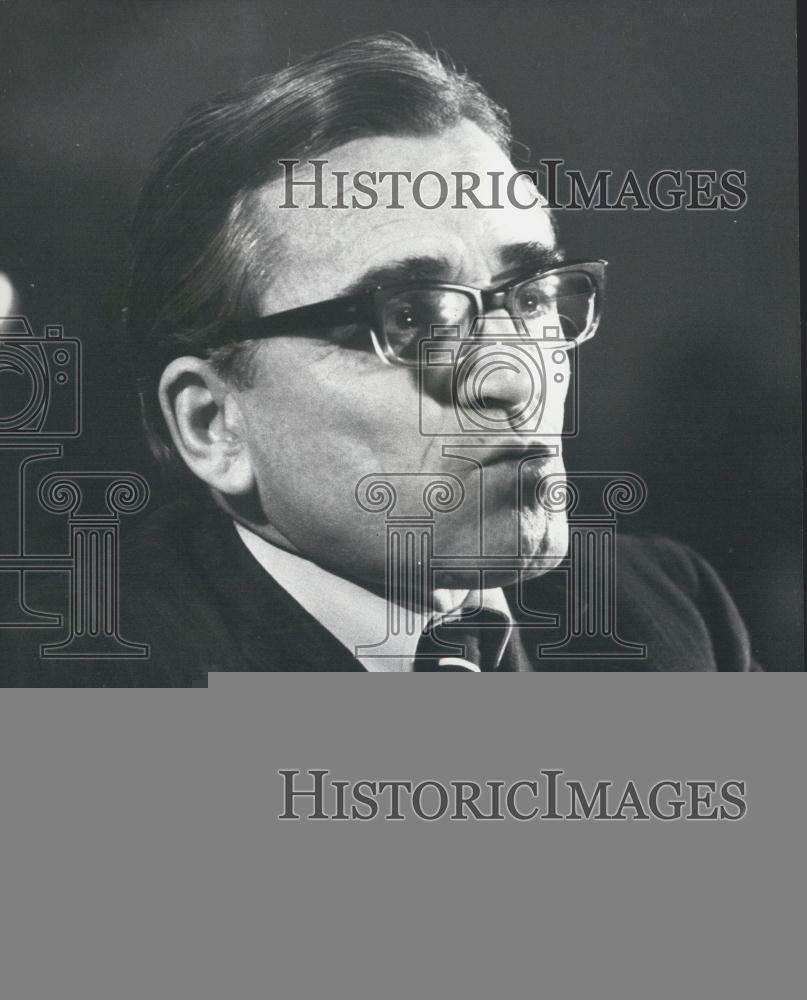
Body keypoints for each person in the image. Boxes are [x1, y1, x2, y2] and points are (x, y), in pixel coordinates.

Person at [0, 34, 759, 684]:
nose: (510, 378)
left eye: (530, 297)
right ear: (213, 425)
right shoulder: (64, 681)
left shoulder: (664, 613)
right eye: (410, 317)